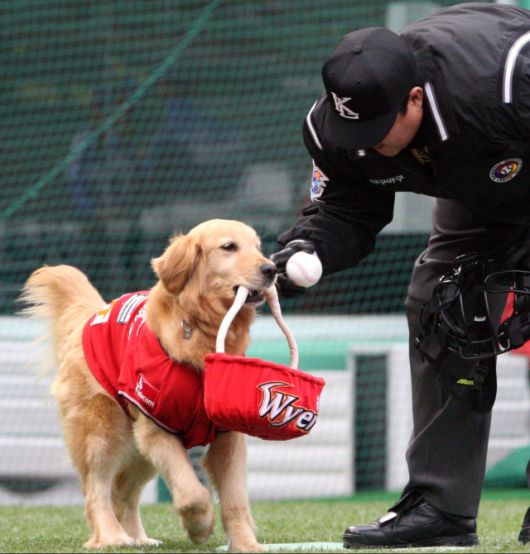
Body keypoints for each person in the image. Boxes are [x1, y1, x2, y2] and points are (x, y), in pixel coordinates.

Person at [270, 2, 530, 548]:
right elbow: (345, 210)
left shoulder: (508, 81)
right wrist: (304, 251)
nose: (363, 143)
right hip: (480, 187)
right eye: (351, 128)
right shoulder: (336, 130)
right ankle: (440, 507)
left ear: (415, 98)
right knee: (442, 303)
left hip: (511, 146)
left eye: (376, 127)